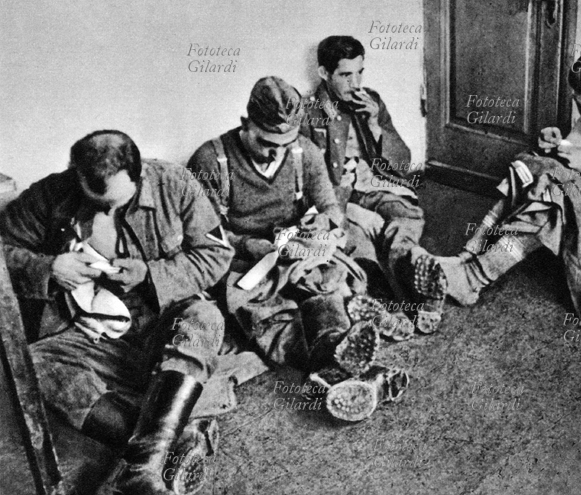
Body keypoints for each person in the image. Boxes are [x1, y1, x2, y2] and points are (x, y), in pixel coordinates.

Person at [0, 130, 233, 494]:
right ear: (74, 174)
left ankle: (142, 464)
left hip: (162, 317)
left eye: (116, 203)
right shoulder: (50, 193)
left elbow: (216, 254)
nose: (107, 211)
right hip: (89, 329)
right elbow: (3, 248)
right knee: (36, 367)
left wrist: (151, 274)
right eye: (95, 202)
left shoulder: (176, 183)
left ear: (139, 174)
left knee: (204, 320)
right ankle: (171, 442)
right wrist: (48, 267)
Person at [417, 47, 581, 349]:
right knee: (532, 166)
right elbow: (565, 156)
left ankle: (472, 277)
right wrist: (550, 147)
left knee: (554, 194)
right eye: (579, 107)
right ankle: (467, 257)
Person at [187, 76, 409, 422]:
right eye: (267, 142)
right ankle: (340, 361)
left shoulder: (303, 150)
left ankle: (333, 354)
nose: (278, 152)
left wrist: (323, 223)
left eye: (286, 143)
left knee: (325, 279)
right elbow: (206, 237)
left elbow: (331, 208)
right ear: (246, 125)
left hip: (294, 245)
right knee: (266, 310)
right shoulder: (211, 160)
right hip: (243, 259)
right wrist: (250, 245)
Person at [300, 36, 439, 333]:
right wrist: (348, 210)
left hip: (375, 183)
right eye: (346, 75)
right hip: (340, 196)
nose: (355, 82)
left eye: (360, 72)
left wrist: (376, 123)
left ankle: (412, 271)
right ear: (324, 73)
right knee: (359, 240)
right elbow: (307, 182)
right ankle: (384, 304)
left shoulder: (371, 100)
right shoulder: (308, 113)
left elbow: (402, 162)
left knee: (407, 215)